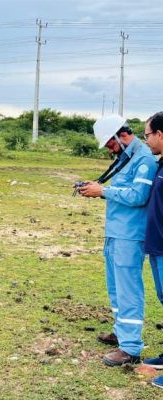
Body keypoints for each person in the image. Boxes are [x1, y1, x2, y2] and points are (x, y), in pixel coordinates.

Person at [78, 114, 157, 366]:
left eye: (110, 144)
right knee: (115, 287)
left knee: (128, 289)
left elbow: (138, 195)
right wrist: (97, 187)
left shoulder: (143, 159)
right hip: (116, 231)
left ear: (122, 136)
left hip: (130, 235)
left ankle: (131, 347)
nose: (109, 150)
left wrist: (102, 191)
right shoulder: (127, 157)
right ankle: (121, 333)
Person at [137, 112, 163, 388]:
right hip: (156, 246)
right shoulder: (160, 164)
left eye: (147, 135)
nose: (147, 141)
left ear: (160, 134)